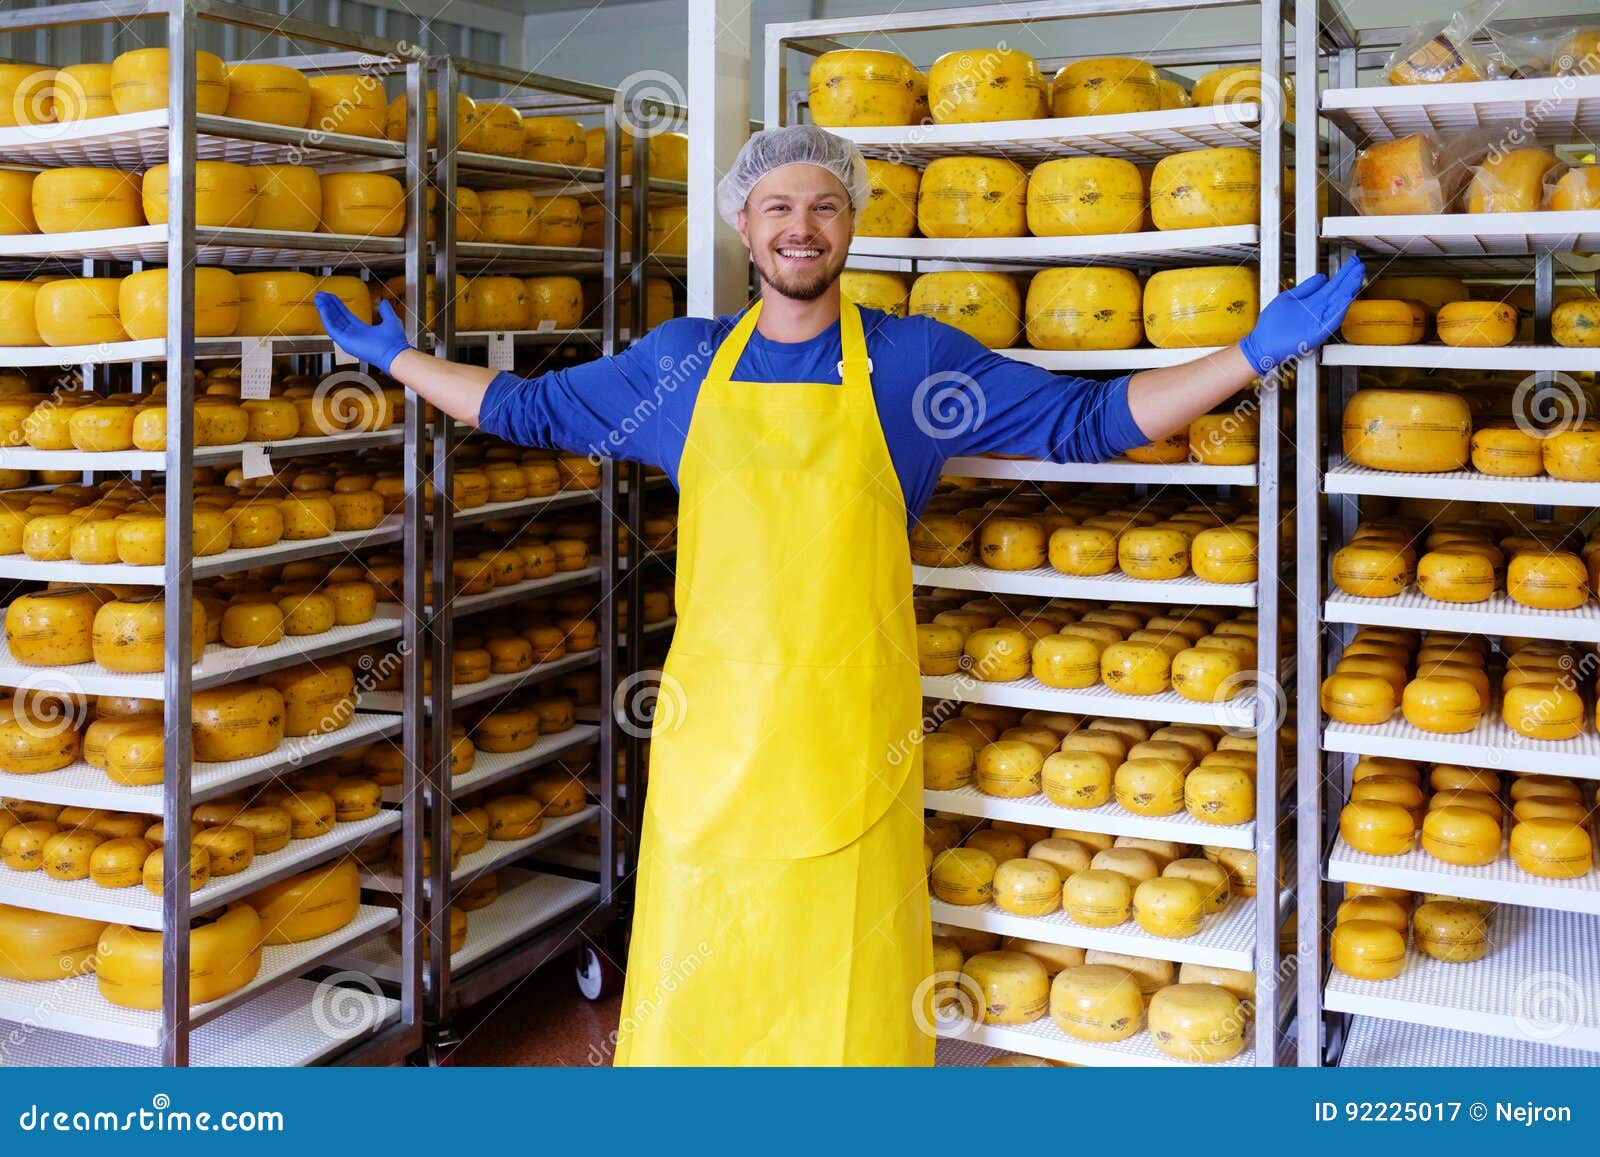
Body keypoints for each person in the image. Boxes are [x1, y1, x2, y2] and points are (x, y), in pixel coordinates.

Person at [316, 124, 1361, 1067]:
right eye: (777, 207)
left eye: (823, 205)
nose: (800, 228)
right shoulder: (683, 361)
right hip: (712, 740)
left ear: (853, 220)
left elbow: (1090, 421)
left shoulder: (911, 360)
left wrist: (1248, 354)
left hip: (852, 739)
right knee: (702, 988)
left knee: (844, 993)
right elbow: (528, 407)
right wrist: (398, 358)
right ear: (742, 223)